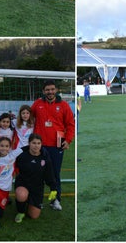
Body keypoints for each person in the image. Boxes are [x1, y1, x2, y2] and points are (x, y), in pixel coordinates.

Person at [31, 80, 75, 211]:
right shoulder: (37, 104)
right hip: (39, 146)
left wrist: (68, 140)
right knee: (38, 174)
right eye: (47, 90)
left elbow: (71, 125)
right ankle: (38, 200)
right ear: (44, 91)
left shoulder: (64, 105)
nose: (50, 92)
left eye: (52, 89)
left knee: (55, 174)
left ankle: (55, 199)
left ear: (56, 90)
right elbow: (26, 118)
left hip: (57, 144)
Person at [14, 133, 58, 223]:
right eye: (33, 143)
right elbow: (8, 157)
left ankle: (28, 202)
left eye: (38, 143)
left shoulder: (45, 157)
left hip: (37, 187)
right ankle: (21, 212)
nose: (36, 146)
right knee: (21, 195)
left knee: (34, 215)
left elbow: (49, 174)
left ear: (41, 144)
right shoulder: (22, 155)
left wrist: (53, 188)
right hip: (23, 183)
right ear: (29, 143)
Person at [0, 136, 24, 230]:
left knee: (0, 213)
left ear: (10, 147)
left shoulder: (12, 155)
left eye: (7, 146)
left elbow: (25, 148)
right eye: (2, 146)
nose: (4, 148)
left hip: (5, 188)